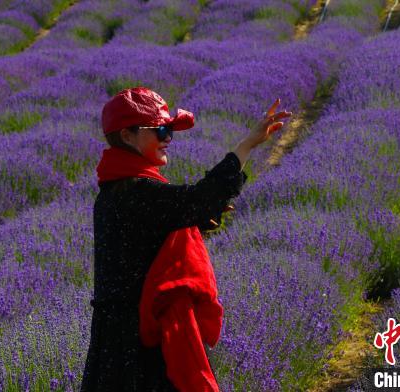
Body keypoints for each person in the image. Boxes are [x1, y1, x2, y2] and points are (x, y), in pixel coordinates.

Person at [81, 87, 291, 391]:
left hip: (116, 344)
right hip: (139, 347)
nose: (168, 139)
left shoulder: (115, 191)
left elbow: (143, 242)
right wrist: (247, 145)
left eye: (170, 130)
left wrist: (194, 225)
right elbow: (202, 198)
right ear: (127, 136)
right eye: (161, 130)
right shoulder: (136, 193)